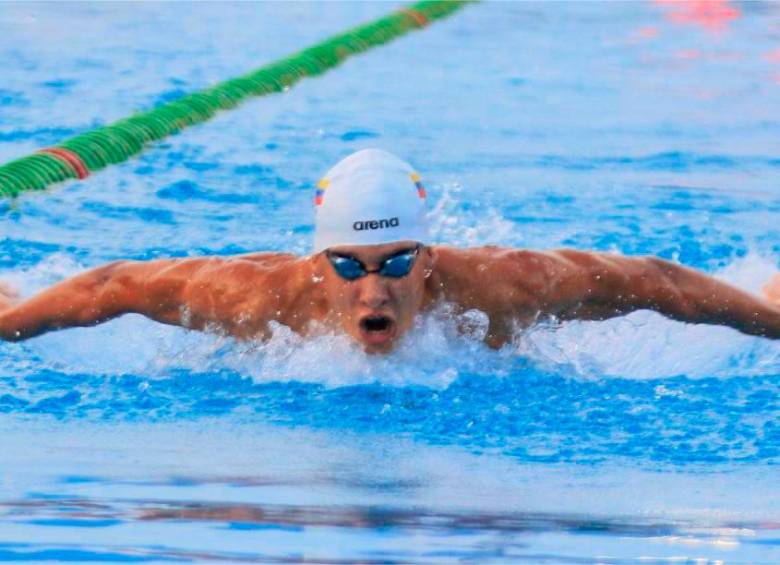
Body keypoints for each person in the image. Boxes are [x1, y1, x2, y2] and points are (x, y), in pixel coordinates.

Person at [2, 148, 780, 353]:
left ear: (429, 258)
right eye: (349, 265)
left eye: (397, 262)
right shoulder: (259, 297)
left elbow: (653, 280)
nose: (373, 288)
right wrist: (12, 322)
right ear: (319, 265)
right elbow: (113, 285)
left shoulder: (500, 286)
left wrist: (770, 318)